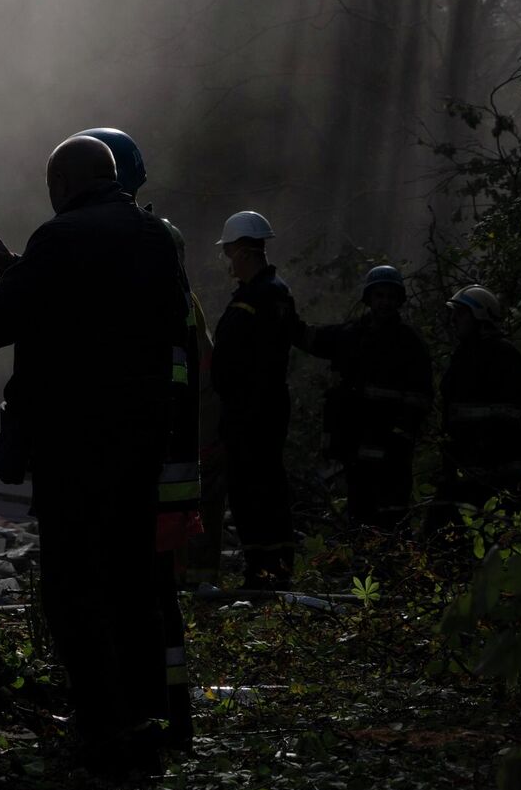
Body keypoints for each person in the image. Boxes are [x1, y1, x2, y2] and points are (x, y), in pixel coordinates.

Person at [0, 135, 182, 774]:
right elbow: (87, 301)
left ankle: (97, 721)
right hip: (140, 438)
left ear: (62, 184)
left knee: (73, 583)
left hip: (74, 440)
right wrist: (12, 262)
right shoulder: (155, 238)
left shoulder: (61, 235)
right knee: (132, 578)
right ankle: (145, 714)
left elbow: (4, 320)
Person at [70, 127, 202, 751]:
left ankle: (138, 715)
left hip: (143, 459)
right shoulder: (157, 253)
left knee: (132, 592)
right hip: (164, 457)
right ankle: (165, 714)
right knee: (152, 592)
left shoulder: (138, 246)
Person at [295, 265, 433, 530]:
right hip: (355, 449)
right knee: (360, 516)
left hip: (392, 453)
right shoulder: (350, 335)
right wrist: (281, 314)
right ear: (368, 298)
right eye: (379, 295)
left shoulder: (410, 343)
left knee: (393, 518)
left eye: (391, 296)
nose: (385, 302)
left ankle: (393, 556)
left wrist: (399, 435)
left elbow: (421, 398)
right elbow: (310, 338)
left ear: (399, 301)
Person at [210, 211, 299, 591]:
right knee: (260, 486)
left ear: (244, 252)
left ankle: (266, 570)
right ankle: (267, 566)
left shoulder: (260, 296)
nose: (227, 261)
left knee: (254, 488)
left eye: (228, 252)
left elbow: (247, 360)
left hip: (252, 409)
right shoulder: (271, 292)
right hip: (258, 406)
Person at [427, 284, 521, 533]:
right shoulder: (464, 354)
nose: (453, 320)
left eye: (460, 314)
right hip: (460, 469)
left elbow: (509, 416)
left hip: (490, 475)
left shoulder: (503, 355)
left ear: (480, 316)